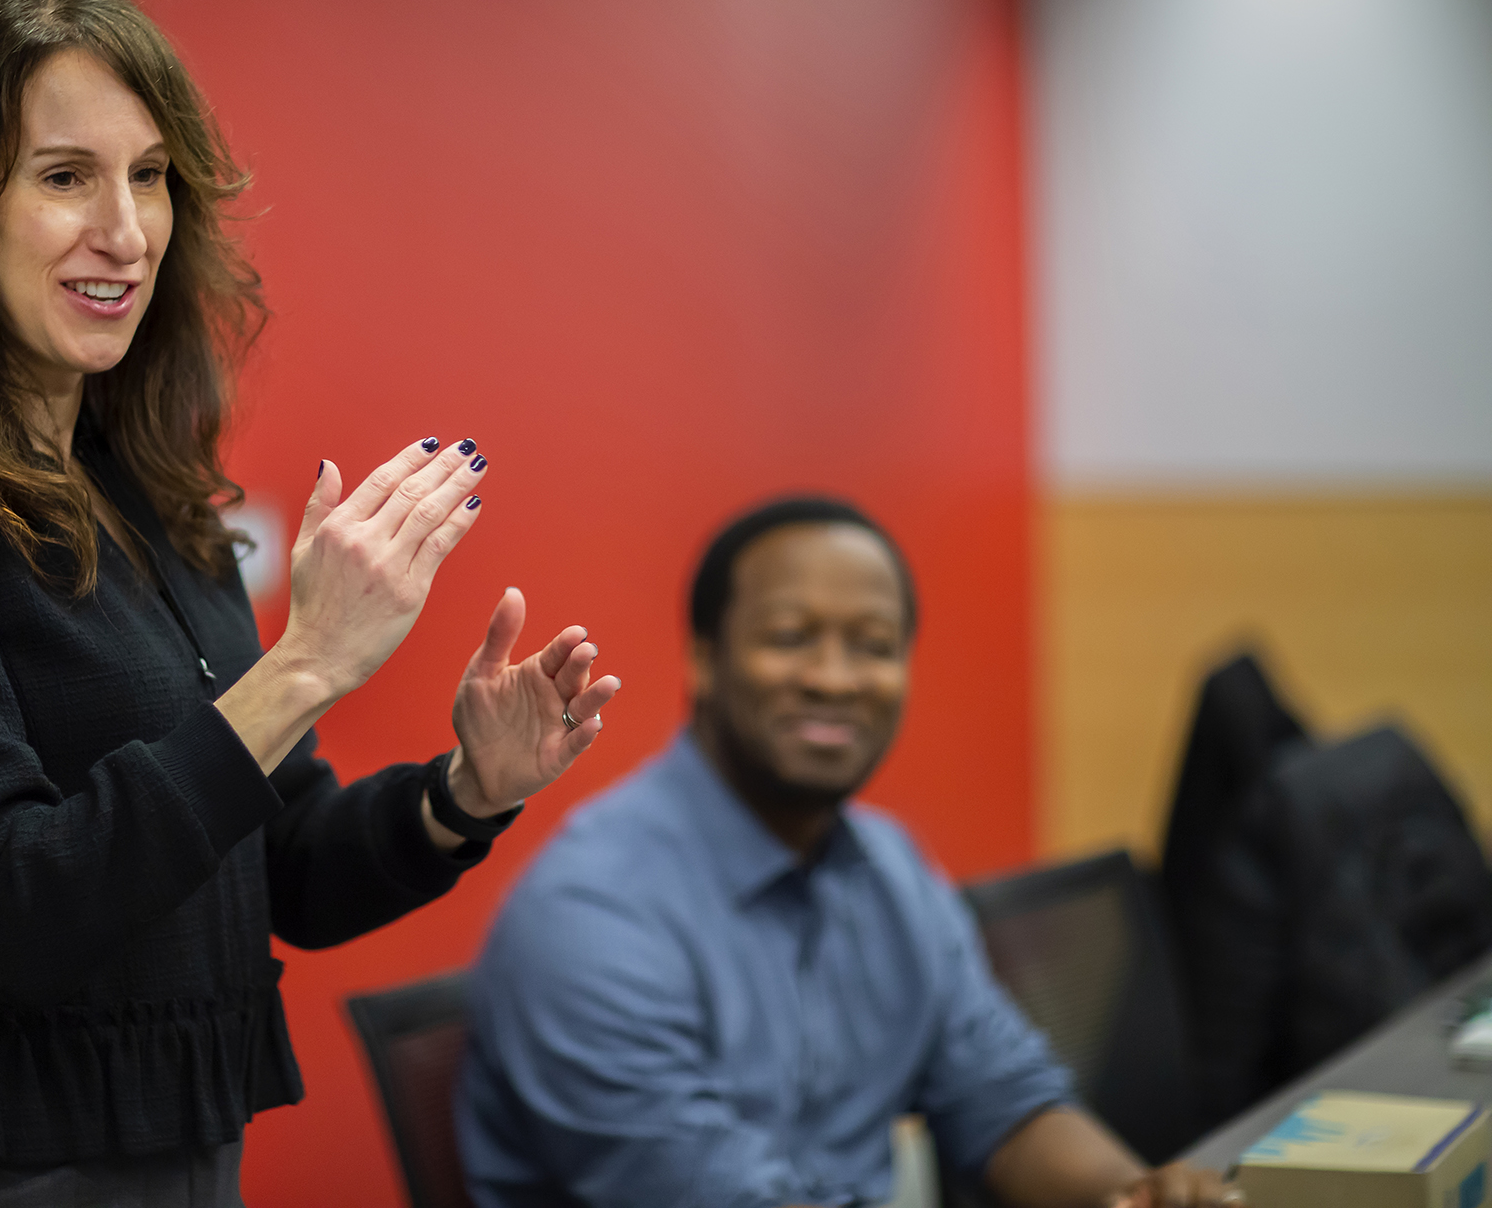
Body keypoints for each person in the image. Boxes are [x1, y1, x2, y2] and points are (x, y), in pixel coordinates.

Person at [0, 0, 620, 1207]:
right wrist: (306, 662)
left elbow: (285, 859)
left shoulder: (144, 483)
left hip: (194, 1148)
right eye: (64, 178)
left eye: (148, 178)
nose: (126, 231)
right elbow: (12, 905)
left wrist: (466, 793)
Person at [460, 498, 1243, 1208]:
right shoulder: (591, 915)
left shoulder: (891, 867)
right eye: (791, 637)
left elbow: (1001, 1100)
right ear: (703, 657)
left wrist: (1134, 1194)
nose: (835, 679)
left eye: (873, 644)